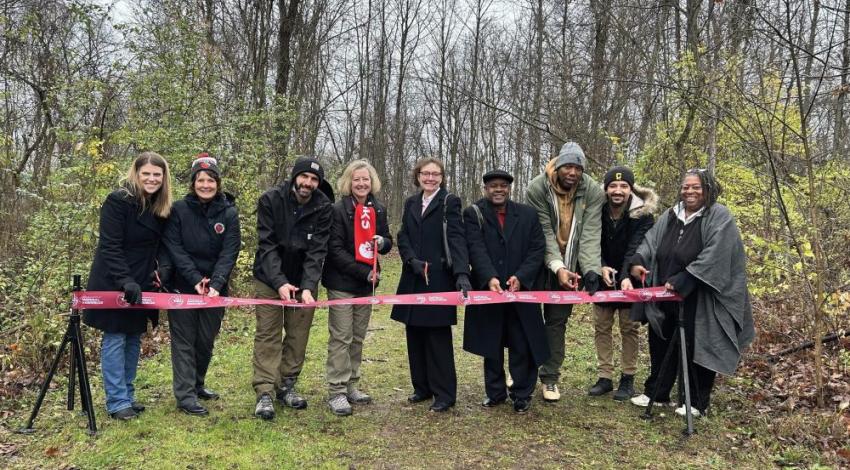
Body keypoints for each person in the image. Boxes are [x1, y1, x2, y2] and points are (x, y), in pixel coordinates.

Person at [624, 169, 754, 417]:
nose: (690, 191)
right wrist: (638, 259)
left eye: (696, 187)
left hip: (700, 296)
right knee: (660, 341)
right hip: (665, 293)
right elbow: (651, 240)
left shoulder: (719, 216)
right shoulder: (672, 214)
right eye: (686, 187)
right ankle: (657, 393)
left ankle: (694, 401)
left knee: (696, 346)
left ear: (708, 189)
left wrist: (687, 277)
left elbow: (717, 253)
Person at [84, 152, 173, 420]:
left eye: (157, 174)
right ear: (135, 173)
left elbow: (163, 246)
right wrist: (125, 280)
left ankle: (128, 394)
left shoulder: (160, 207)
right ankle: (116, 401)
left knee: (134, 336)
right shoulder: (118, 201)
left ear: (163, 178)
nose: (151, 179)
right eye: (146, 173)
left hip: (143, 281)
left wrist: (162, 272)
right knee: (115, 337)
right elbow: (110, 246)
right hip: (114, 280)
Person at [251, 157, 333, 420]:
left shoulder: (323, 206)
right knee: (268, 333)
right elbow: (267, 245)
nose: (308, 183)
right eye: (304, 177)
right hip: (269, 277)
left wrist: (308, 286)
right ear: (295, 177)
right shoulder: (270, 199)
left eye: (314, 180)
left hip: (303, 280)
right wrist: (279, 283)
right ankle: (264, 391)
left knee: (298, 335)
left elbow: (317, 250)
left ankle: (286, 385)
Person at [462, 169, 548, 413]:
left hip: (522, 291)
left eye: (503, 186)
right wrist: (489, 277)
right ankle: (495, 392)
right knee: (492, 342)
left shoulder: (528, 215)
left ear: (509, 188)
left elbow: (537, 248)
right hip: (490, 291)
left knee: (523, 343)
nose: (498, 190)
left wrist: (521, 276)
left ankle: (522, 394)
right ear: (485, 189)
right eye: (493, 186)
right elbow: (475, 248)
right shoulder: (473, 213)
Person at [161, 153, 241, 416]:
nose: (205, 185)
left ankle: (197, 384)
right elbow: (175, 247)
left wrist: (216, 283)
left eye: (210, 180)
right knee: (184, 341)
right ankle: (185, 396)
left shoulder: (229, 213)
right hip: (183, 286)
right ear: (193, 182)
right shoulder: (178, 210)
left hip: (215, 290)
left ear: (217, 183)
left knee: (205, 340)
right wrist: (195, 279)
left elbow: (230, 251)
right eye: (200, 180)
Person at [526, 141, 605, 402]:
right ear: (558, 166)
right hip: (538, 263)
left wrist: (591, 269)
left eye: (578, 168)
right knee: (527, 319)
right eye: (568, 166)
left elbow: (591, 233)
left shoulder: (592, 190)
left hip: (572, 266)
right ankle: (522, 370)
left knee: (557, 323)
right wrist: (556, 266)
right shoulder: (537, 187)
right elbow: (544, 232)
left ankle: (549, 378)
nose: (572, 172)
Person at [391, 157, 471, 412]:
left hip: (438, 278)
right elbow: (403, 236)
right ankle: (422, 388)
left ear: (442, 177)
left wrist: (461, 274)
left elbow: (457, 238)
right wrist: (411, 259)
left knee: (437, 338)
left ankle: (445, 393)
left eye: (436, 174)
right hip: (413, 277)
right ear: (418, 176)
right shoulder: (411, 202)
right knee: (414, 333)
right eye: (426, 173)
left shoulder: (450, 202)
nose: (430, 178)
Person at [321, 160, 393, 416]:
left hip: (366, 284)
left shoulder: (379, 209)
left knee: (358, 336)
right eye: (356, 179)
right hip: (342, 282)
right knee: (341, 336)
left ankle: (352, 384)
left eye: (365, 179)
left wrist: (382, 242)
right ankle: (337, 391)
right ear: (348, 183)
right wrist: (364, 272)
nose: (361, 184)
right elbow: (335, 250)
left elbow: (387, 242)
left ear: (371, 182)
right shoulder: (337, 210)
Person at [587, 166, 655, 401]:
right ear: (606, 189)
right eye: (613, 186)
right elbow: (591, 242)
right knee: (602, 327)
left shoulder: (643, 214)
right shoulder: (595, 210)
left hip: (631, 279)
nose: (618, 190)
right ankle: (605, 376)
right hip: (602, 277)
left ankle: (627, 377)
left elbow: (635, 247)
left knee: (629, 328)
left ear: (630, 189)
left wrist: (626, 275)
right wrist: (600, 266)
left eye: (623, 186)